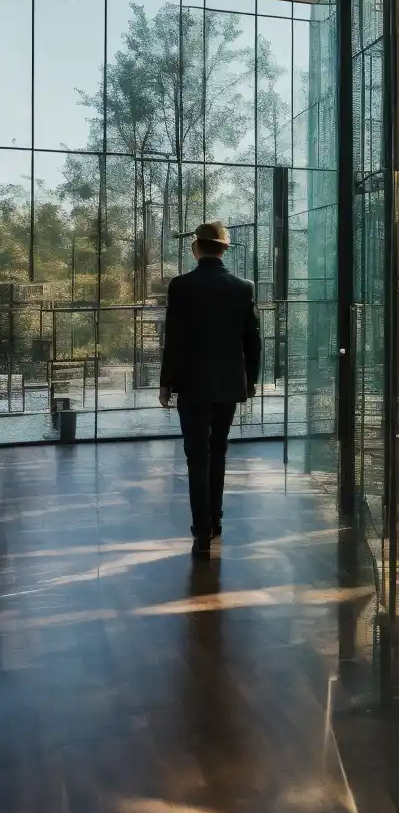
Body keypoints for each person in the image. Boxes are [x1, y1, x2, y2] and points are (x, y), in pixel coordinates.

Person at [158, 220, 262, 560]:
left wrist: (165, 383)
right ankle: (215, 520)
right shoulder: (243, 287)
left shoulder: (181, 286)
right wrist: (251, 380)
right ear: (223, 250)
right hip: (229, 384)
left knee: (196, 456)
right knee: (218, 451)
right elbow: (253, 341)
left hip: (191, 385)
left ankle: (201, 530)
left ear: (196, 248)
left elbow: (174, 339)